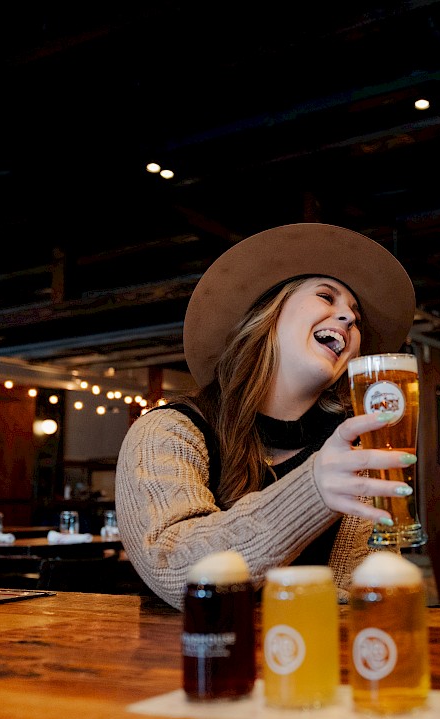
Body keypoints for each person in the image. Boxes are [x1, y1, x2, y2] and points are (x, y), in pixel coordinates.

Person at [116, 223, 417, 608]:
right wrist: (313, 490)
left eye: (355, 317)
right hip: (193, 662)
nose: (348, 319)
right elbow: (173, 568)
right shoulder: (168, 431)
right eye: (327, 297)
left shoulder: (356, 453)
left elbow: (357, 597)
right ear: (267, 317)